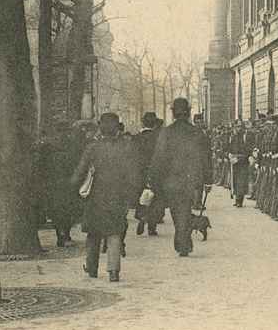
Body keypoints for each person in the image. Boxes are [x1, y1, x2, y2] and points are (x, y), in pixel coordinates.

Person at [70, 113, 143, 282]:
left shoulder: (92, 147)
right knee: (115, 232)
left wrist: (73, 187)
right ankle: (114, 270)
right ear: (118, 126)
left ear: (100, 126)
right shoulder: (127, 147)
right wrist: (132, 195)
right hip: (118, 195)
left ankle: (92, 268)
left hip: (95, 196)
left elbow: (80, 172)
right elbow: (134, 174)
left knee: (93, 233)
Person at [147, 98, 212, 257]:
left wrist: (153, 180)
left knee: (177, 211)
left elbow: (158, 159)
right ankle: (184, 240)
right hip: (192, 180)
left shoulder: (166, 133)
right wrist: (208, 180)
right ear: (189, 112)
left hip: (170, 179)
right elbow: (206, 158)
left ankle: (182, 241)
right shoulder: (197, 133)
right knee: (184, 208)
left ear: (173, 112)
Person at [134, 112, 163, 235]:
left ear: (143, 122)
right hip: (155, 171)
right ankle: (152, 226)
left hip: (139, 172)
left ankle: (141, 216)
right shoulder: (159, 138)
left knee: (141, 195)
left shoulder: (136, 138)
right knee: (155, 198)